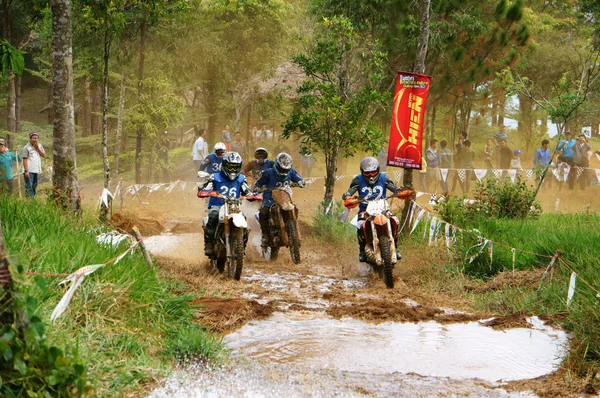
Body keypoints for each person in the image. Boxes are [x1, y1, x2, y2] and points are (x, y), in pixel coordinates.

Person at [341, 157, 408, 262]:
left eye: (373, 172)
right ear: (362, 171)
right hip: (365, 210)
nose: (371, 175)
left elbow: (393, 187)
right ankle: (362, 250)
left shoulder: (384, 178)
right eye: (367, 173)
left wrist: (399, 191)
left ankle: (395, 246)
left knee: (395, 220)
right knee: (360, 224)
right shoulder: (358, 180)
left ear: (378, 170)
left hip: (383, 208)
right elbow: (349, 192)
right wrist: (347, 197)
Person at [197, 152, 254, 258]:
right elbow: (206, 188)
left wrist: (253, 196)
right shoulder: (215, 177)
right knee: (213, 216)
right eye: (230, 167)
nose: (232, 170)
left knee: (244, 220)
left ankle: (241, 248)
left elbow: (247, 191)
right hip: (217, 205)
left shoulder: (241, 178)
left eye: (235, 167)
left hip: (234, 207)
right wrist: (203, 191)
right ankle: (208, 244)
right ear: (224, 165)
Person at [254, 153, 304, 248]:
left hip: (285, 198)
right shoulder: (267, 173)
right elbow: (258, 183)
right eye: (281, 169)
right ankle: (265, 235)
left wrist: (300, 182)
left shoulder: (291, 172)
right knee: (263, 212)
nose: (283, 172)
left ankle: (293, 231)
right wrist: (257, 188)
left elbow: (298, 178)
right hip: (269, 199)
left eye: (285, 170)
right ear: (276, 166)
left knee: (295, 208)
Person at [21, 132, 46, 198]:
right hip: (29, 170)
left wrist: (38, 149)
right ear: (30, 139)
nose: (35, 139)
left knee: (34, 186)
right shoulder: (26, 147)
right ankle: (31, 201)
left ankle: (32, 200)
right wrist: (26, 171)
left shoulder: (40, 146)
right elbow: (24, 159)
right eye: (33, 138)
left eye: (36, 138)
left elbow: (44, 155)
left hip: (36, 170)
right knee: (29, 186)